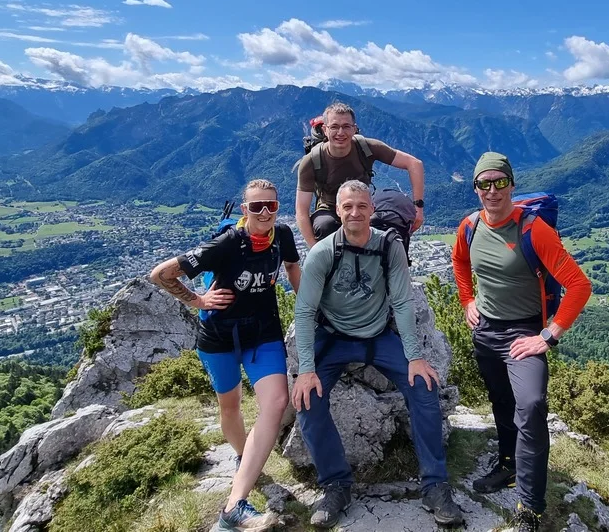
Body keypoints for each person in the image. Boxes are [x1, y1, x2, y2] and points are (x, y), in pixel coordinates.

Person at [291, 180, 464, 528]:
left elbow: (401, 301)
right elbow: (305, 312)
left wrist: (415, 356)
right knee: (308, 401)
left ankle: (434, 485)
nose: (355, 212)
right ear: (337, 211)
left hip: (378, 336)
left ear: (371, 210)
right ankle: (337, 485)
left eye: (361, 206)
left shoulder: (389, 247)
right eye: (347, 206)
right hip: (335, 338)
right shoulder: (323, 253)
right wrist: (306, 369)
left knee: (424, 388)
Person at [451, 152, 592, 532]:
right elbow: (460, 264)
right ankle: (508, 466)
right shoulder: (468, 227)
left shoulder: (534, 231)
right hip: (487, 332)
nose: (492, 190)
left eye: (499, 182)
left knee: (530, 406)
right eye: (484, 183)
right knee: (502, 402)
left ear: (512, 185)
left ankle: (530, 507)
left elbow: (579, 285)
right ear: (476, 187)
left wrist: (548, 336)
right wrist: (468, 301)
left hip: (524, 333)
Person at [149, 179, 300, 532]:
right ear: (244, 210)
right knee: (229, 406)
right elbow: (160, 274)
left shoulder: (283, 236)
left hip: (263, 332)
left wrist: (304, 297)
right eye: (256, 206)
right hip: (218, 337)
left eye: (271, 206)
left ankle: (234, 506)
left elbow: (292, 266)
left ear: (278, 208)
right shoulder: (227, 242)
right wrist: (198, 301)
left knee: (276, 403)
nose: (265, 212)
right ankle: (246, 461)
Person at [295, 102, 426, 248]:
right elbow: (301, 210)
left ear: (354, 129)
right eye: (334, 127)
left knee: (385, 223)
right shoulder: (312, 161)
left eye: (346, 126)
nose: (340, 132)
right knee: (325, 226)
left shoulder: (366, 147)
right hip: (330, 208)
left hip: (363, 204)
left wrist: (418, 208)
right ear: (325, 129)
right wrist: (314, 248)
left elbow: (414, 164)